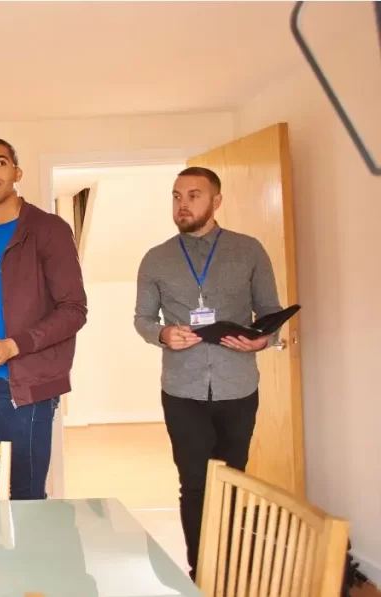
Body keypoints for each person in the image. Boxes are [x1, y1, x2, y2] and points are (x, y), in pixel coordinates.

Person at [134, 166, 283, 579]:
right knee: (195, 484)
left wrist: (263, 340)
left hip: (239, 387)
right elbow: (142, 319)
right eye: (177, 196)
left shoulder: (249, 250)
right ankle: (203, 572)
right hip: (182, 391)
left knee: (233, 482)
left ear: (216, 201)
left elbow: (270, 312)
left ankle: (232, 568)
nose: (183, 204)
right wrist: (163, 333)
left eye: (194, 195)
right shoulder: (156, 257)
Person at [0, 138, 88, 500]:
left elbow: (74, 310)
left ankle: (30, 560)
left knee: (25, 498)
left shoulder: (49, 230)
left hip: (29, 391)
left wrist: (14, 346)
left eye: (0, 162)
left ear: (17, 173)